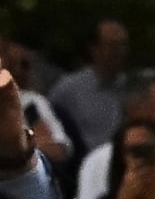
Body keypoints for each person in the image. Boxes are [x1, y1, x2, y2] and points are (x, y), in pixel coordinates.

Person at [47, 18, 138, 162]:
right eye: (113, 45)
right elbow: (49, 124)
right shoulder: (69, 89)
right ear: (94, 48)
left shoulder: (133, 87)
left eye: (123, 45)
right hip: (85, 166)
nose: (119, 52)